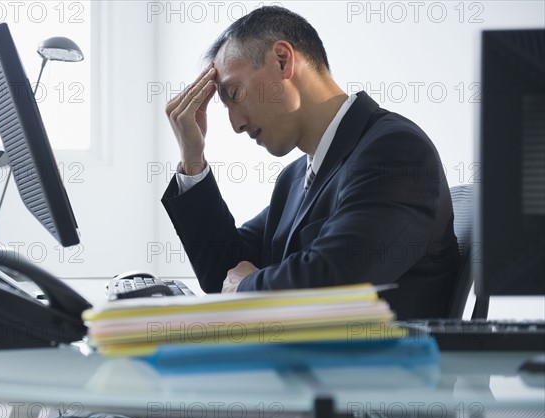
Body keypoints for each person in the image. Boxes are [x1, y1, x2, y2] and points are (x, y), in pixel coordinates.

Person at [162, 6, 460, 320]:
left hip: (375, 366)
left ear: (282, 60)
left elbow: (336, 280)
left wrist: (248, 286)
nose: (235, 124)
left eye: (234, 94)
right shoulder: (294, 179)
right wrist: (192, 162)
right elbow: (223, 276)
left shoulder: (395, 151)